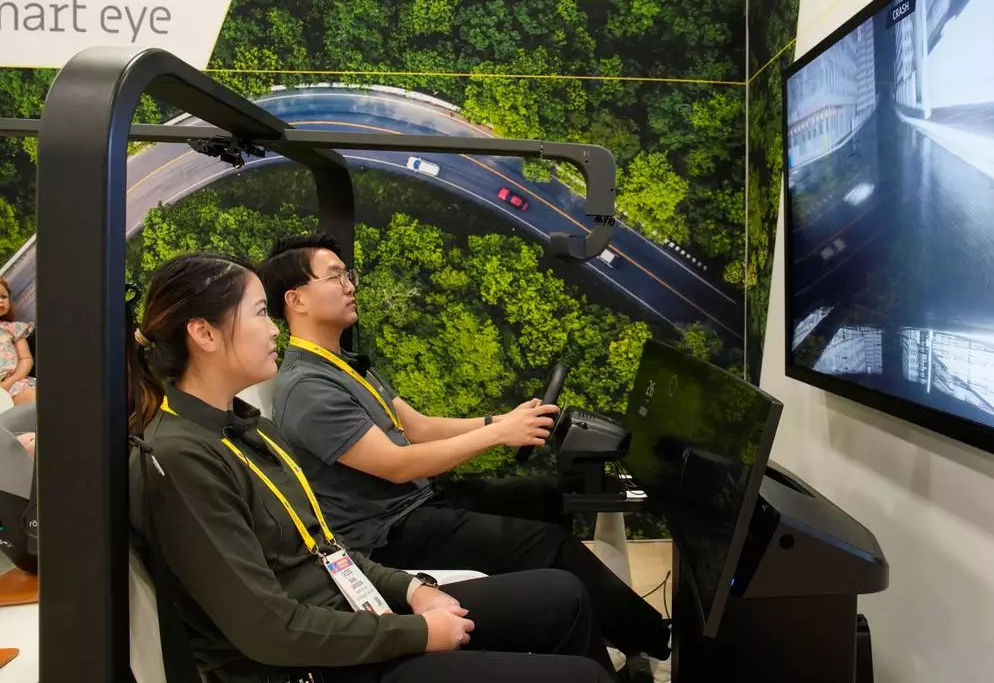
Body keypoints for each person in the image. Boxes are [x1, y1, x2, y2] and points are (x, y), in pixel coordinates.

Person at [127, 251, 616, 683]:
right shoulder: (180, 459)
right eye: (259, 313)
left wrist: (410, 588)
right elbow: (271, 630)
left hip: (352, 615)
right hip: (314, 663)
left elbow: (326, 546)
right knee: (583, 675)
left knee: (564, 595)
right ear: (204, 333)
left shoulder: (250, 428)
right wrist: (417, 633)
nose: (274, 328)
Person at [261, 234, 672, 662]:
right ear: (296, 299)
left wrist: (501, 421)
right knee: (546, 543)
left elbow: (419, 427)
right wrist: (499, 434)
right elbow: (397, 464)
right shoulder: (308, 387)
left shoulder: (345, 363)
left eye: (347, 275)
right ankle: (657, 640)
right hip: (386, 534)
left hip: (415, 502)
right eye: (335, 277)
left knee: (546, 498)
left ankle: (583, 630)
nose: (349, 286)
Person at [0, 277, 36, 405]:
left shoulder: (13, 329)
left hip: (13, 385)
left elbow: (26, 359)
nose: (1, 301)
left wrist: (10, 382)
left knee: (35, 399)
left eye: (4, 297)